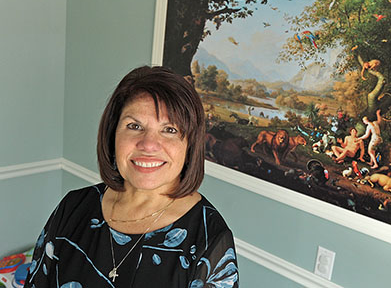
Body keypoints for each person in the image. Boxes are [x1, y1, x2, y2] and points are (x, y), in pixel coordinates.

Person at [25, 66, 239, 288]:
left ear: (190, 146)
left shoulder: (209, 240)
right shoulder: (73, 207)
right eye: (134, 126)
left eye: (169, 130)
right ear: (112, 135)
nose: (148, 144)